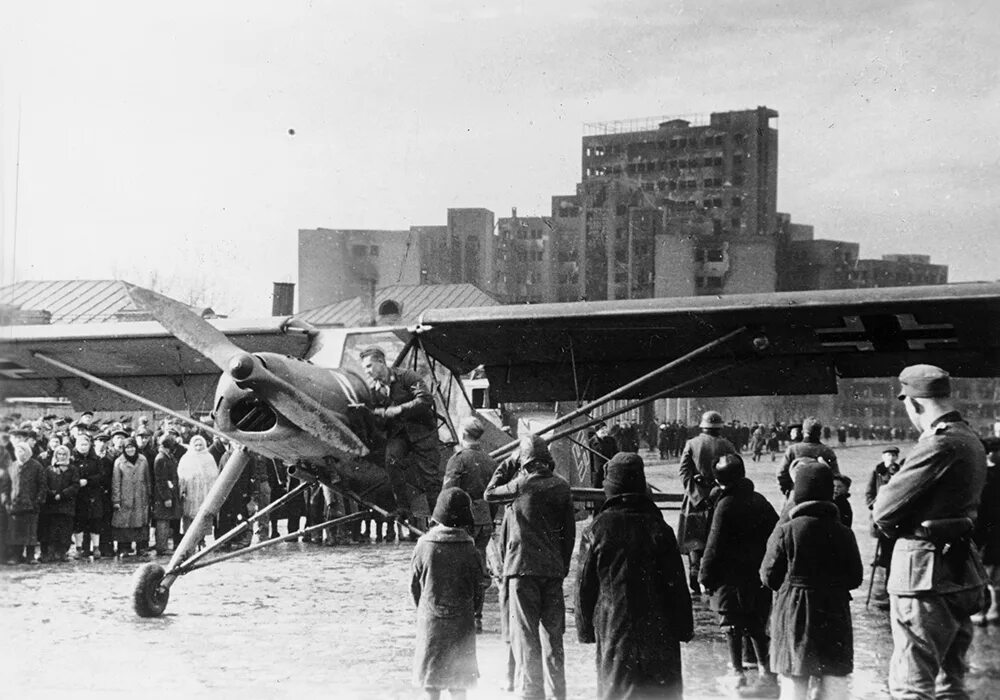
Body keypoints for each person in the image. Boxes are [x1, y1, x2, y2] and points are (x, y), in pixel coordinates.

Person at [873, 364, 987, 699]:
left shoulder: (936, 445)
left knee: (912, 685)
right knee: (951, 683)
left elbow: (883, 510)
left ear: (914, 403)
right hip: (961, 572)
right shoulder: (971, 440)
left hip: (923, 578)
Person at [576, 452, 693, 699]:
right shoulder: (660, 528)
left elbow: (584, 587)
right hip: (659, 631)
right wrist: (684, 627)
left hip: (614, 628)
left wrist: (585, 629)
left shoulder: (596, 529)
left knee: (617, 691)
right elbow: (676, 585)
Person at [761, 460, 863, 699]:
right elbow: (855, 577)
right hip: (834, 611)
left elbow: (768, 575)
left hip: (794, 611)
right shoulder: (844, 532)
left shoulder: (786, 530)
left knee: (794, 678)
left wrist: (791, 587)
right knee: (834, 680)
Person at [485, 434, 575, 700]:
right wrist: (563, 565)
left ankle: (531, 694)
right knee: (553, 636)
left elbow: (489, 492)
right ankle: (559, 694)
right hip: (552, 571)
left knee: (526, 636)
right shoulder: (562, 486)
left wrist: (509, 462)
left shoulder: (519, 485)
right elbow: (568, 533)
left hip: (521, 571)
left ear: (524, 461)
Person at [700, 454, 779, 697]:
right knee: (756, 624)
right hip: (756, 576)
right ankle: (766, 673)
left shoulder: (725, 505)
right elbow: (775, 535)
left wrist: (704, 577)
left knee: (731, 625)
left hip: (730, 579)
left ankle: (737, 675)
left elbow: (713, 545)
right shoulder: (760, 500)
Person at [411, 488, 483, 700]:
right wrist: (472, 611)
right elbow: (478, 589)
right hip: (461, 622)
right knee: (459, 683)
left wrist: (425, 609)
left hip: (431, 621)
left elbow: (414, 586)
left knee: (431, 682)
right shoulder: (470, 549)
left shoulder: (424, 545)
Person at [358, 346, 441, 528]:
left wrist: (398, 409)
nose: (367, 371)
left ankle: (438, 521)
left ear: (381, 362)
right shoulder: (373, 390)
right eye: (364, 367)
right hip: (399, 435)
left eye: (369, 366)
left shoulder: (407, 376)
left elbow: (425, 399)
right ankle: (403, 508)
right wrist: (375, 415)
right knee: (391, 461)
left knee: (430, 477)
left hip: (422, 432)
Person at [442, 416, 497, 632]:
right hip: (484, 520)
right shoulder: (490, 461)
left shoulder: (458, 460)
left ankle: (460, 616)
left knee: (457, 566)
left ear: (463, 434)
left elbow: (448, 495)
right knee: (479, 565)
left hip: (463, 521)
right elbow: (493, 497)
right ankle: (477, 615)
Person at [677, 410, 736, 596]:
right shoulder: (727, 445)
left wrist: (696, 495)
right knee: (716, 537)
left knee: (694, 539)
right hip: (719, 498)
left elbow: (684, 473)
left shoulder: (692, 444)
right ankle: (711, 581)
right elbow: (736, 472)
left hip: (695, 501)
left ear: (702, 426)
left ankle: (694, 576)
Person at [972, 437, 1000, 624]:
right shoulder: (978, 473)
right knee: (981, 565)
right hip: (981, 526)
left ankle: (995, 605)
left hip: (995, 526)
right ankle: (983, 605)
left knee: (993, 567)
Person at [776, 417, 839, 498]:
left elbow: (781, 474)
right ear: (819, 433)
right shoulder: (827, 451)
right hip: (822, 495)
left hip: (797, 492)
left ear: (803, 432)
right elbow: (836, 476)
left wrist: (787, 491)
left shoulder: (793, 449)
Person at [39, 445, 80, 562]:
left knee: (64, 531)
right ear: (55, 455)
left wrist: (63, 494)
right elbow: (44, 485)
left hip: (66, 506)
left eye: (64, 454)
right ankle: (49, 552)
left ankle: (61, 553)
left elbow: (75, 485)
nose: (61, 457)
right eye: (59, 454)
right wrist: (52, 494)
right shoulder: (49, 469)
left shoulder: (72, 469)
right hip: (51, 505)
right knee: (50, 531)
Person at [177, 434, 219, 548]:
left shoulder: (209, 457)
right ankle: (190, 540)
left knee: (202, 516)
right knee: (189, 516)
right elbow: (182, 475)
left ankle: (202, 539)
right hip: (191, 491)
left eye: (201, 445)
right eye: (196, 445)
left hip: (204, 492)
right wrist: (183, 489)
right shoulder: (186, 458)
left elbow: (214, 474)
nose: (198, 447)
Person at [111, 438, 150, 557]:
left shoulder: (143, 460)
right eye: (127, 447)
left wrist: (148, 494)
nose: (130, 449)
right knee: (124, 523)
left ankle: (141, 547)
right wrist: (116, 499)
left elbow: (147, 478)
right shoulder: (119, 462)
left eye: (132, 447)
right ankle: (124, 548)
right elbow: (116, 482)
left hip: (140, 496)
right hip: (125, 496)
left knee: (141, 522)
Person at [151, 434, 183, 555]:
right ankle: (161, 547)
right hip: (164, 495)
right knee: (163, 521)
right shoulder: (161, 459)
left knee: (164, 520)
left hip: (168, 493)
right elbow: (161, 480)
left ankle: (162, 546)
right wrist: (166, 497)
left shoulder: (166, 457)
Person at [587, 423, 618, 490]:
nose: (605, 430)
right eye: (602, 429)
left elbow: (616, 453)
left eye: (605, 428)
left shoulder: (611, 440)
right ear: (597, 431)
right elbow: (590, 458)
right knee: (596, 490)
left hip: (609, 469)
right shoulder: (591, 442)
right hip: (597, 472)